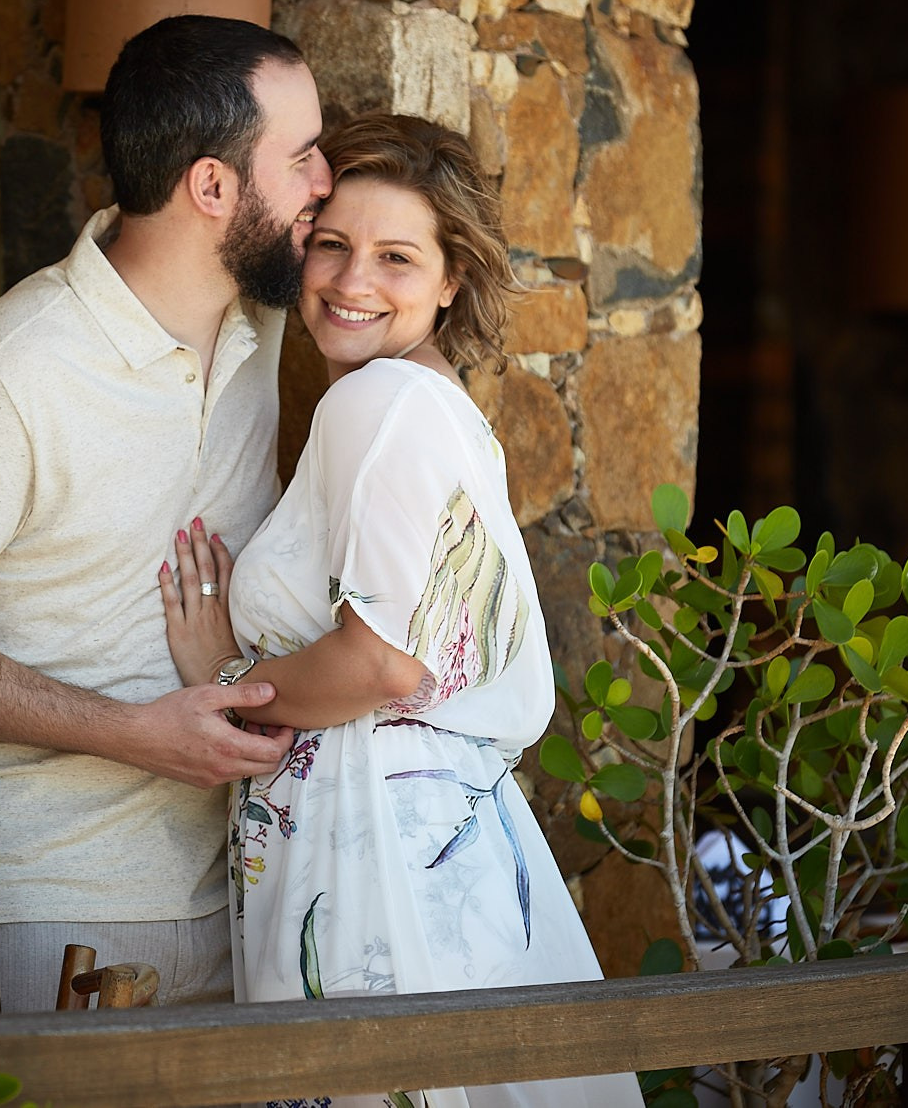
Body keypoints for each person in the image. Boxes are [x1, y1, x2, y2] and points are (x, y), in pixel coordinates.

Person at [0, 15, 332, 1011]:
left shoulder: (265, 321)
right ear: (210, 188)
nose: (326, 184)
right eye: (305, 157)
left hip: (231, 900)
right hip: (26, 913)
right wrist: (131, 732)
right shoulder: (5, 376)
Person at [159, 115, 644, 1107]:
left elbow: (382, 665)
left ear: (450, 279)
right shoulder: (436, 406)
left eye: (395, 257)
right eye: (330, 245)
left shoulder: (379, 405)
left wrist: (225, 679)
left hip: (370, 851)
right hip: (432, 844)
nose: (350, 282)